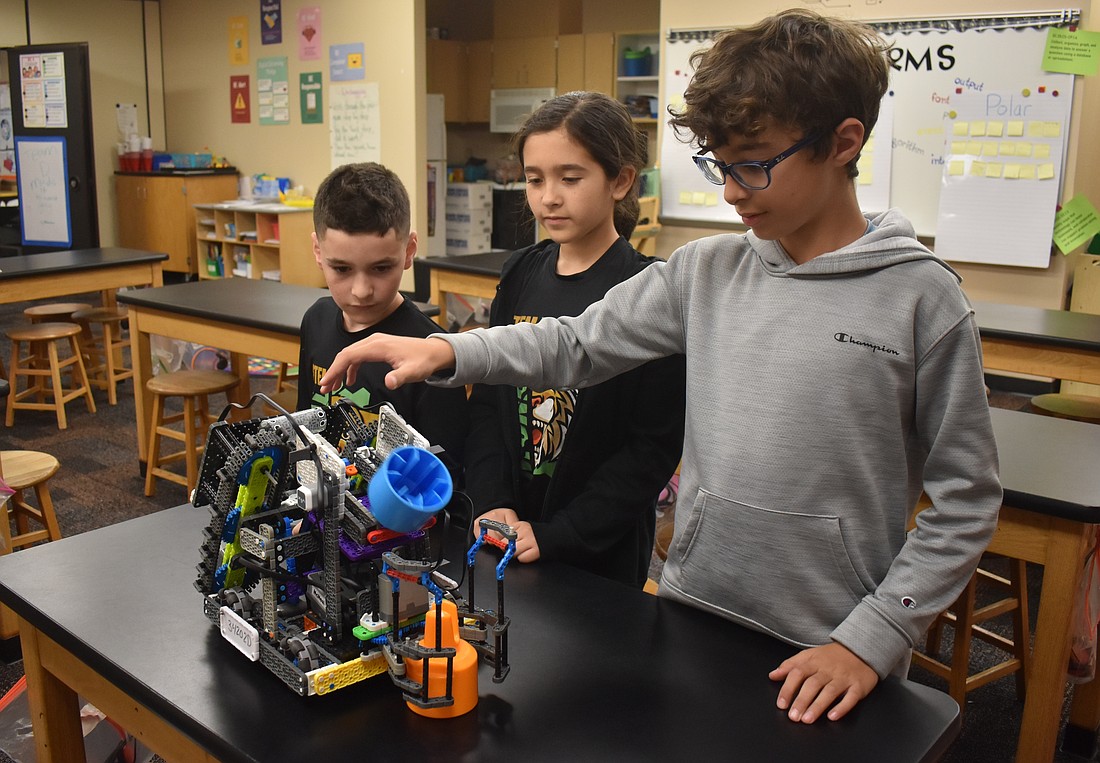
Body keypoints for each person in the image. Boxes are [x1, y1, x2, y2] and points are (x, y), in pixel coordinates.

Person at [318, 9, 1002, 724]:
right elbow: (574, 343)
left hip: (832, 645)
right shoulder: (704, 271)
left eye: (754, 162)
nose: (731, 189)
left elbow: (967, 501)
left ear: (843, 142)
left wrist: (873, 637)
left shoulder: (921, 299)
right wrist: (451, 351)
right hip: (691, 612)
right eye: (719, 163)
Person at [463, 91, 686, 588]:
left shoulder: (651, 292)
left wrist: (561, 534)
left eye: (570, 178)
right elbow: (489, 403)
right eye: (534, 179)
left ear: (621, 180)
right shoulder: (520, 272)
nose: (548, 197)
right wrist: (491, 497)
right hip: (504, 533)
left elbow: (652, 447)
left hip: (596, 550)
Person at [297, 162, 468, 476]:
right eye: (342, 269)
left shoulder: (431, 351)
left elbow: (445, 474)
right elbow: (304, 427)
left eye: (380, 268)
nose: (361, 292)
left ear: (409, 251)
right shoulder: (315, 321)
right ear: (318, 251)